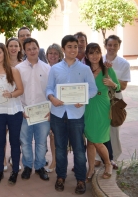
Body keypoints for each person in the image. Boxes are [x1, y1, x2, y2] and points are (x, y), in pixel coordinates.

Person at [46, 35, 97, 195]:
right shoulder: (55, 69)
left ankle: (80, 180)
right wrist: (52, 98)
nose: (73, 49)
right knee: (60, 148)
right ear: (63, 49)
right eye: (69, 46)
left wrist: (84, 99)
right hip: (58, 114)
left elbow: (93, 89)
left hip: (76, 114)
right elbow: (49, 88)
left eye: (75, 46)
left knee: (79, 149)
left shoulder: (85, 69)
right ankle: (61, 177)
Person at [0, 43, 24, 185]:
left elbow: (21, 89)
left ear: (4, 53)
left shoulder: (13, 70)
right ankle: (0, 170)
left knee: (14, 142)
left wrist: (11, 94)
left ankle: (15, 171)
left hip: (13, 111)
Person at [16, 38, 51, 182]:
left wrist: (50, 109)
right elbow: (16, 90)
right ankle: (28, 166)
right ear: (24, 51)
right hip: (25, 112)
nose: (32, 51)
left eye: (34, 48)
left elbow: (51, 90)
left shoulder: (47, 68)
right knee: (25, 141)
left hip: (43, 113)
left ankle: (40, 166)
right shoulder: (18, 69)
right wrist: (20, 109)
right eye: (28, 49)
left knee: (41, 141)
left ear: (38, 48)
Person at [84, 43, 119, 182]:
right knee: (90, 141)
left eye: (97, 52)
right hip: (88, 107)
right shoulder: (84, 70)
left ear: (101, 54)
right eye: (91, 53)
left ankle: (108, 164)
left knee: (97, 141)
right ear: (87, 55)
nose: (94, 56)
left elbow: (117, 88)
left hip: (103, 107)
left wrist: (112, 84)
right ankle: (91, 168)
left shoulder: (107, 69)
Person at [101, 35, 130, 169]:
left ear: (119, 46)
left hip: (115, 100)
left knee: (113, 129)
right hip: (100, 100)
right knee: (100, 128)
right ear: (105, 45)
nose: (112, 48)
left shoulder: (124, 63)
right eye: (110, 45)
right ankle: (98, 158)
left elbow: (123, 86)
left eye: (115, 45)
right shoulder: (98, 60)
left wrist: (113, 83)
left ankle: (114, 157)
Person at [45, 43, 64, 173]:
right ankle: (54, 160)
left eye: (55, 53)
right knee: (51, 136)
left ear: (60, 56)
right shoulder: (44, 68)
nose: (53, 56)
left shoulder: (62, 69)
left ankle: (58, 161)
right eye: (50, 53)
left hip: (60, 108)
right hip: (46, 107)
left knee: (57, 136)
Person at [5, 38, 23, 171]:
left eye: (16, 46)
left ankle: (14, 158)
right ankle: (4, 160)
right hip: (3, 105)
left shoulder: (23, 64)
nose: (13, 48)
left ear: (19, 48)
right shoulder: (0, 64)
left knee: (16, 136)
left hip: (19, 103)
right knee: (2, 135)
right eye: (10, 46)